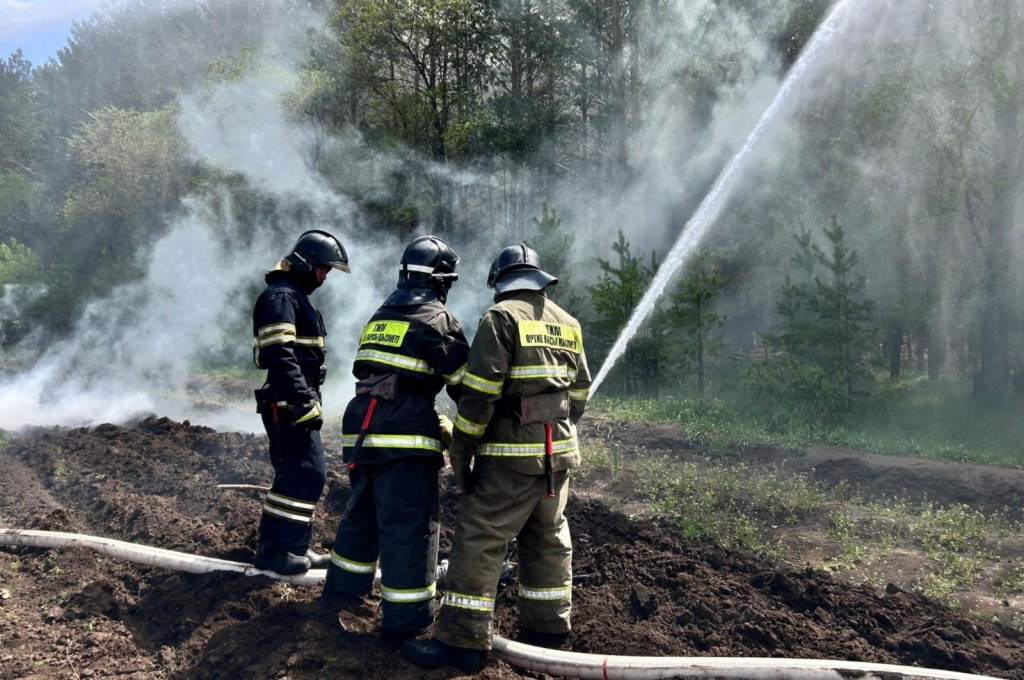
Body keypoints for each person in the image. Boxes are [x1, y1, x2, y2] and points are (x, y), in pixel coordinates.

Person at [401, 243, 591, 673]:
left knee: (480, 537)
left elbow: (481, 393)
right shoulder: (569, 322)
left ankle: (461, 642)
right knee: (548, 534)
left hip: (510, 457)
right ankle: (547, 628)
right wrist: (556, 428)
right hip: (557, 455)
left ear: (499, 282)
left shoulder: (500, 318)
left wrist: (463, 446)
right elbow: (579, 393)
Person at [321, 235, 470, 648]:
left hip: (364, 435)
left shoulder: (381, 316)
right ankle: (406, 618)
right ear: (441, 280)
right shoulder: (438, 320)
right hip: (405, 437)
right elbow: (466, 386)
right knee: (410, 526)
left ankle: (342, 590)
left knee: (363, 514)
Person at [251, 229, 350, 576]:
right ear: (307, 264)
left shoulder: (294, 297)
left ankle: (294, 546)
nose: (325, 277)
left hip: (293, 400)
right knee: (306, 472)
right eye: (324, 269)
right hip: (287, 401)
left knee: (302, 472)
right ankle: (275, 551)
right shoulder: (280, 298)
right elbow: (280, 354)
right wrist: (303, 399)